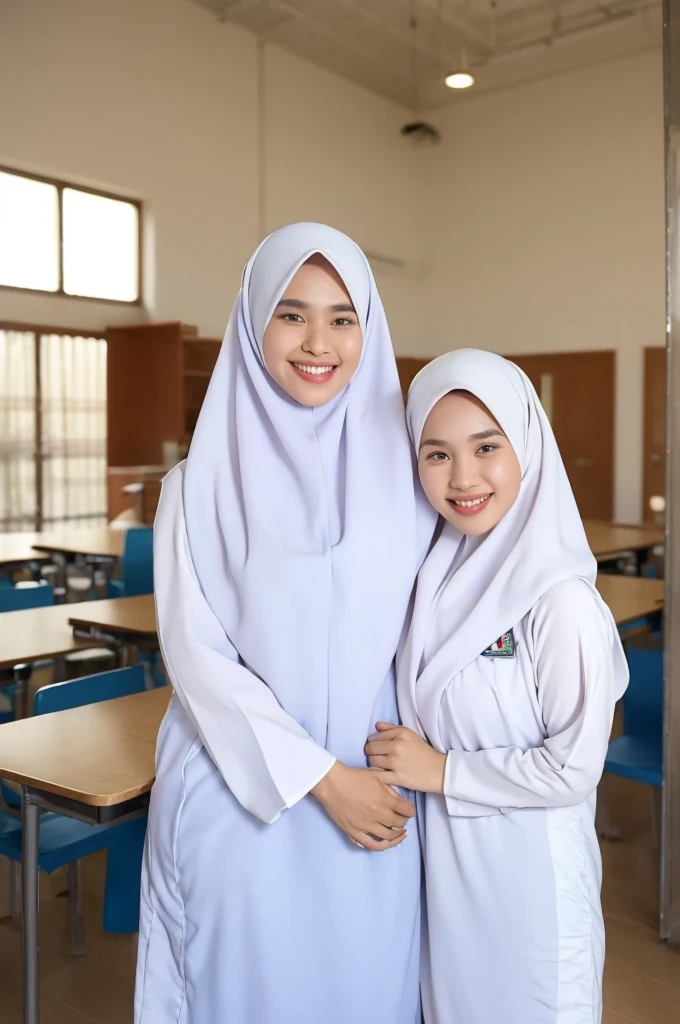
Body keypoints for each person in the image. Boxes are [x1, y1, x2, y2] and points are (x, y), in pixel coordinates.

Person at [134, 223, 435, 1023]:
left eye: (342, 317)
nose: (318, 341)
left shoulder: (410, 478)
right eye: (291, 313)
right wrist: (322, 780)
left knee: (371, 995)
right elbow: (198, 659)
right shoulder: (194, 487)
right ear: (252, 320)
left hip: (381, 805)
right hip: (248, 804)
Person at [365, 348, 628, 1024]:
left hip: (528, 883)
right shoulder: (432, 578)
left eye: (487, 446)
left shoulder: (559, 599)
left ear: (528, 447)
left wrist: (441, 771)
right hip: (446, 879)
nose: (464, 477)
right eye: (437, 454)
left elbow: (573, 769)